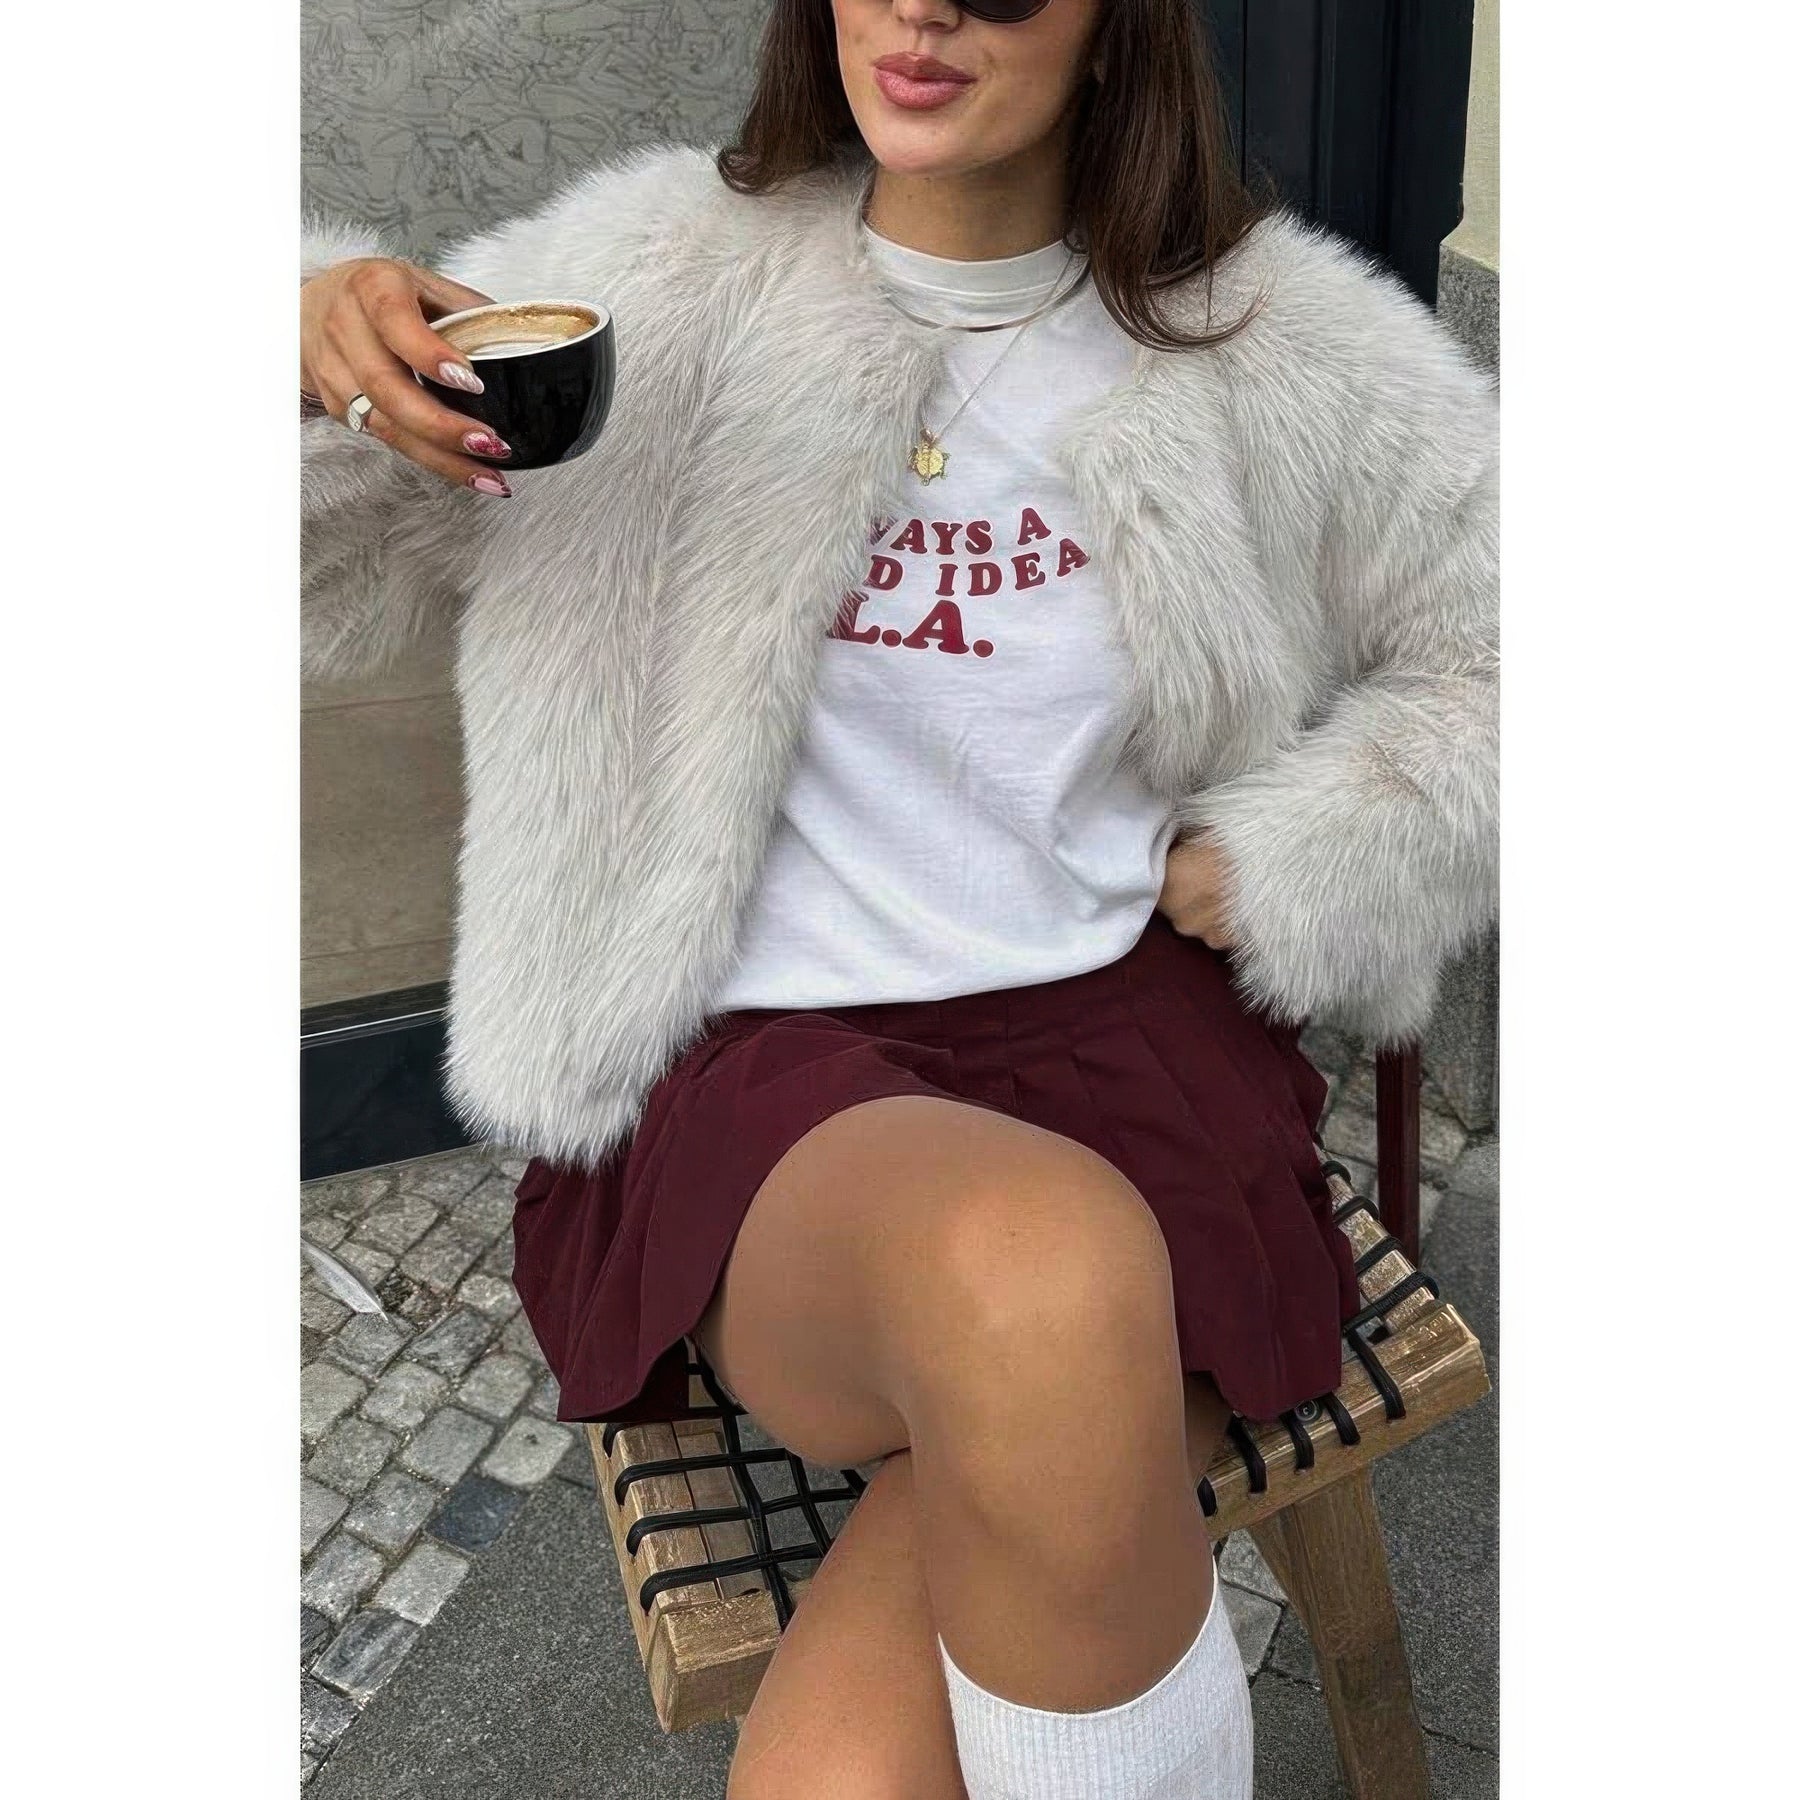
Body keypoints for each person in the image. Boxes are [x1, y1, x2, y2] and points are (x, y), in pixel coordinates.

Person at [298, 2, 1497, 1794]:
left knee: (843, 1772)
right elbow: (320, 566)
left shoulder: (1277, 340)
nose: (925, 7)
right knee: (1043, 1273)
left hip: (1132, 1046)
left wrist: (1306, 852)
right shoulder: (642, 280)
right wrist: (301, 348)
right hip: (766, 1076)